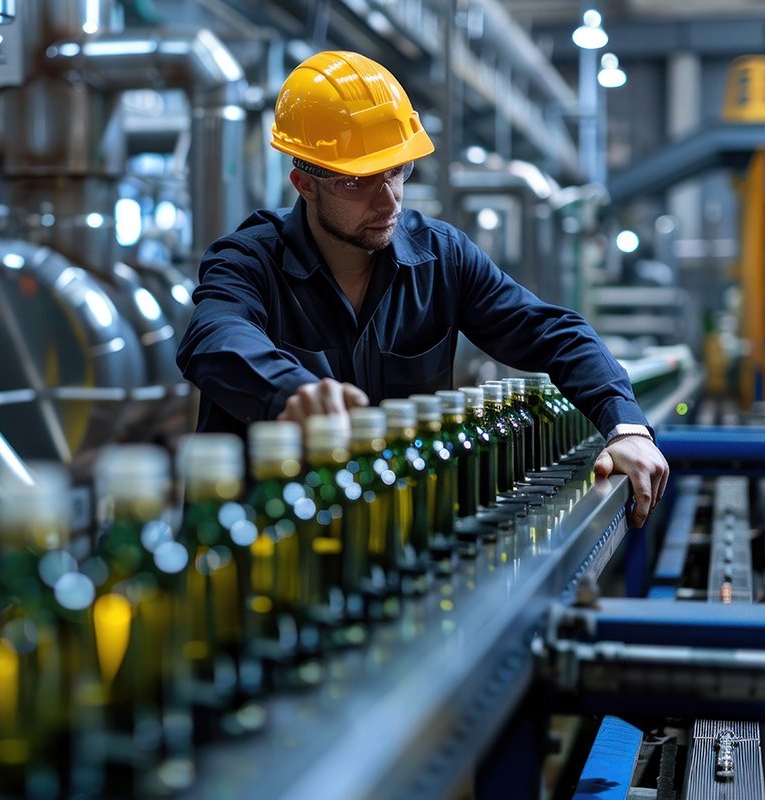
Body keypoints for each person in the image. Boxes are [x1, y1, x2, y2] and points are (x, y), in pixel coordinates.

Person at [176, 50, 669, 526]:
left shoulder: (442, 258)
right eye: (359, 181)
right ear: (305, 183)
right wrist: (288, 393)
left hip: (390, 539)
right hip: (260, 544)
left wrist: (625, 427)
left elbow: (555, 332)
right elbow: (215, 337)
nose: (387, 198)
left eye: (397, 170)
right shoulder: (248, 259)